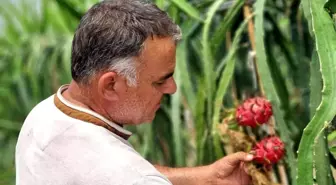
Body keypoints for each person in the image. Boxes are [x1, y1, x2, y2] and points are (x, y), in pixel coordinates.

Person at [15, 0, 253, 184]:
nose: (172, 88)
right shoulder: (132, 177)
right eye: (160, 82)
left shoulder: (45, 115)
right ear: (110, 85)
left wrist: (207, 177)